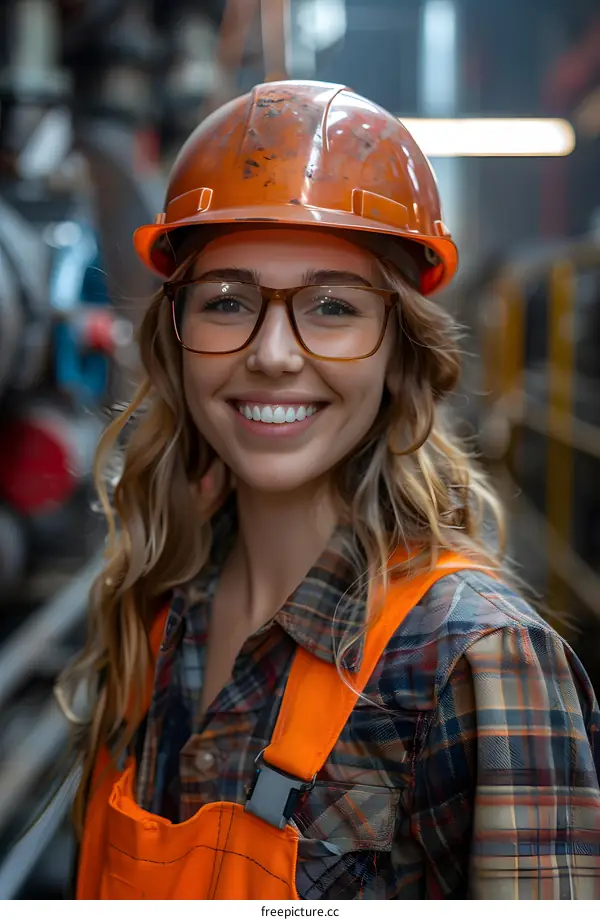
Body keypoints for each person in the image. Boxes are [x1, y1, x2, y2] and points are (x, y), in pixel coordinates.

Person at [60, 80, 600, 900]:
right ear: (177, 342)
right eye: (228, 301)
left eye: (332, 307)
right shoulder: (156, 605)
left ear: (400, 354)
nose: (273, 353)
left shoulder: (474, 661)